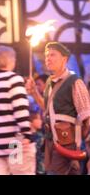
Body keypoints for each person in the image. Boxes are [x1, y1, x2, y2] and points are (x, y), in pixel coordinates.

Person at [30, 42, 90, 175]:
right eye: (46, 56)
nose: (48, 58)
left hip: (68, 145)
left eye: (52, 55)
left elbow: (87, 118)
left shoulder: (75, 82)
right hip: (51, 144)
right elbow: (48, 110)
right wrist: (34, 92)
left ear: (64, 59)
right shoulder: (49, 83)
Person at [0, 45, 34, 175]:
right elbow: (20, 109)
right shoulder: (14, 79)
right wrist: (26, 133)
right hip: (13, 142)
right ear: (11, 60)